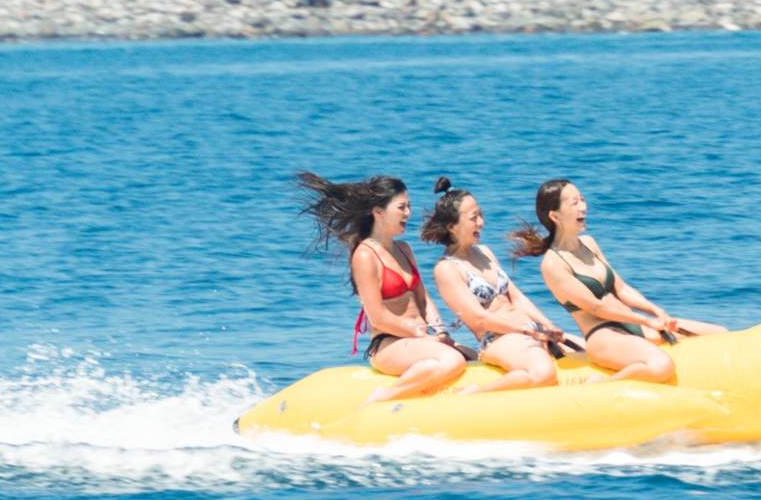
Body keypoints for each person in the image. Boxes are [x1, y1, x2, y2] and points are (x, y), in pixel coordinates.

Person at [510, 179, 725, 384]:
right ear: (555, 215)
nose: (583, 207)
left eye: (582, 199)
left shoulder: (589, 243)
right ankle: (604, 384)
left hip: (632, 324)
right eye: (574, 203)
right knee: (662, 365)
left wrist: (655, 311)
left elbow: (621, 288)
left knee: (719, 334)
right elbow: (597, 307)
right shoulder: (553, 264)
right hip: (604, 337)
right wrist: (647, 321)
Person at [299, 172, 465, 403]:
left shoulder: (404, 249)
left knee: (474, 356)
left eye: (409, 206)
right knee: (452, 361)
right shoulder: (365, 255)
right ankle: (381, 398)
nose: (408, 213)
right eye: (402, 207)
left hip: (419, 340)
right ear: (378, 212)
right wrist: (420, 334)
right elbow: (377, 317)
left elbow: (424, 299)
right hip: (389, 344)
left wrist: (441, 333)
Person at [423, 177, 571, 394]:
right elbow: (479, 319)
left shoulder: (485, 252)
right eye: (474, 218)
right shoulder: (447, 269)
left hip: (530, 330)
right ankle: (474, 393)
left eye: (481, 214)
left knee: (590, 351)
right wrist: (526, 331)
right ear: (452, 226)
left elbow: (517, 297)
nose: (481, 222)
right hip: (499, 339)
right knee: (544, 373)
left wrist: (546, 324)